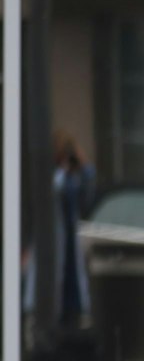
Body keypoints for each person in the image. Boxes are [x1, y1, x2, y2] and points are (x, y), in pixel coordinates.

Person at [24, 129, 94, 333]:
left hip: (69, 241)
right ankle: (44, 330)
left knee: (71, 288)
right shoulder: (52, 175)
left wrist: (82, 164)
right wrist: (64, 169)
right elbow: (54, 189)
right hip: (51, 241)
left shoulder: (75, 177)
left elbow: (86, 195)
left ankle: (68, 325)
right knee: (49, 287)